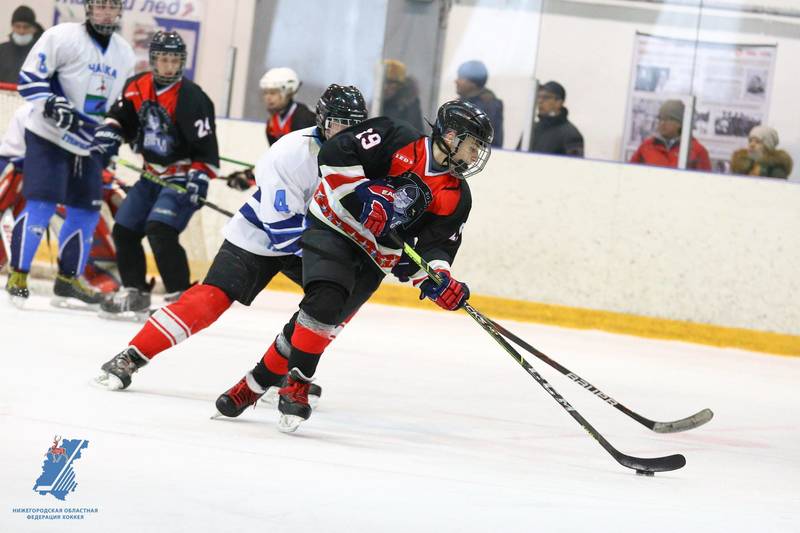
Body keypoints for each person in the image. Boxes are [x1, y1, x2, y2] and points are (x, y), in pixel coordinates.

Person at [214, 100, 494, 433]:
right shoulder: (396, 136)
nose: (475, 155)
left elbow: (437, 245)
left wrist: (439, 279)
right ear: (450, 135)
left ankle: (254, 384)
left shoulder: (457, 196)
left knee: (318, 324)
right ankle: (297, 385)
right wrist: (363, 196)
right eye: (473, 145)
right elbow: (335, 152)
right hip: (333, 226)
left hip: (375, 257)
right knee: (326, 299)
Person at [95, 85, 369, 394]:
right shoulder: (291, 153)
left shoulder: (368, 156)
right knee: (211, 299)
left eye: (355, 126)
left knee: (340, 300)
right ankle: (131, 356)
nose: (347, 134)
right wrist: (331, 260)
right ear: (322, 121)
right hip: (262, 233)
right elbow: (282, 230)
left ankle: (286, 372)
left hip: (312, 238)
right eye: (338, 125)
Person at [5, 0, 135, 309]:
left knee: (87, 210)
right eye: (99, 6)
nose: (105, 12)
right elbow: (29, 78)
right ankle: (18, 275)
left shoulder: (125, 53)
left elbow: (118, 104)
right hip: (48, 136)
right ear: (90, 9)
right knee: (42, 203)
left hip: (87, 143)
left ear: (119, 11)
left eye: (111, 7)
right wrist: (52, 103)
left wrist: (113, 131)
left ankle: (68, 280)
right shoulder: (62, 36)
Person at [91, 31, 219, 319]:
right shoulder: (136, 86)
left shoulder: (193, 98)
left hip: (182, 176)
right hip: (150, 176)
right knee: (124, 229)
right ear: (153, 60)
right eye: (163, 59)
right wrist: (110, 134)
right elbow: (119, 118)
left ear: (182, 62)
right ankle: (135, 293)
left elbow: (206, 149)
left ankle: (180, 299)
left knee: (159, 230)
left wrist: (199, 178)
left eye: (174, 60)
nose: (168, 66)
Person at [0, 102, 123, 292]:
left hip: (72, 183)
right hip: (29, 180)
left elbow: (101, 163)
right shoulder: (28, 112)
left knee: (88, 213)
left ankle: (91, 276)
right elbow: (9, 155)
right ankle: (17, 273)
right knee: (35, 207)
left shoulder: (95, 117)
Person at [224, 67, 317, 192]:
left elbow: (303, 164)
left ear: (288, 92)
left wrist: (254, 176)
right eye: (265, 93)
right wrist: (249, 176)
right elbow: (276, 161)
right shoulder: (272, 124)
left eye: (273, 93)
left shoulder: (304, 119)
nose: (268, 98)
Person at [629, 99, 711, 171]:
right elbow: (630, 173)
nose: (662, 123)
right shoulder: (646, 146)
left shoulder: (698, 151)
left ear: (680, 123)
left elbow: (704, 184)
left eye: (668, 119)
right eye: (660, 118)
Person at [529, 81, 583, 157]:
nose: (540, 101)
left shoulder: (571, 135)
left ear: (559, 102)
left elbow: (575, 165)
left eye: (545, 97)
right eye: (538, 97)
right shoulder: (532, 129)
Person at [455, 60, 503, 147]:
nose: (456, 81)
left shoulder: (490, 106)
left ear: (472, 83)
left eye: (461, 78)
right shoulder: (459, 104)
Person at [0, 6, 43, 84]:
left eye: (26, 27)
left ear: (34, 28)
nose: (21, 31)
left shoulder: (41, 53)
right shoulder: (1, 50)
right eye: (17, 26)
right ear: (12, 27)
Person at [381, 59, 423, 131]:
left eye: (390, 83)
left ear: (399, 86)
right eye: (385, 82)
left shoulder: (409, 103)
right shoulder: (380, 102)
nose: (386, 87)